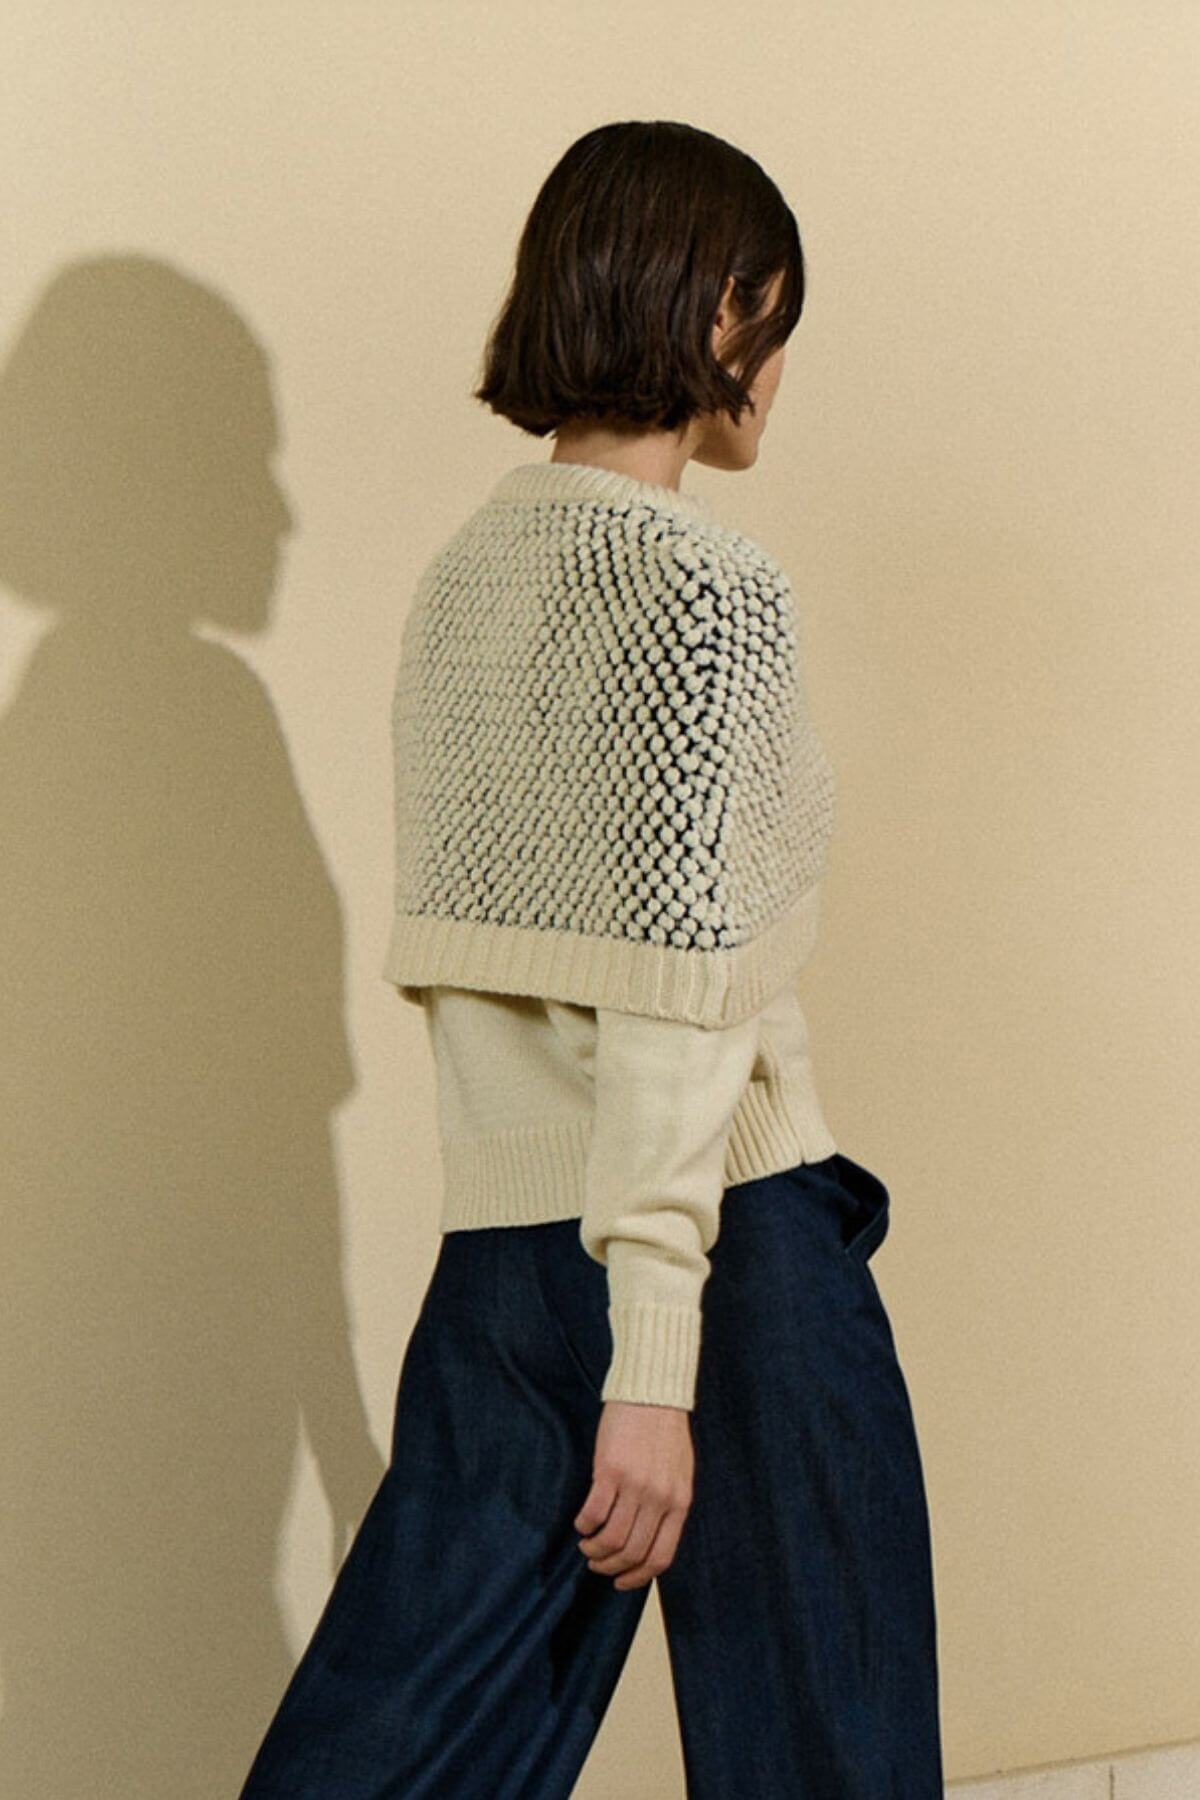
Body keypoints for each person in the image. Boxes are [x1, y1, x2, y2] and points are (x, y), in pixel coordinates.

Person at [238, 118, 944, 1799]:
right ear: (719, 310)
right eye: (775, 315)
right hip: (718, 1251)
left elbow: (495, 980)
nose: (779, 365)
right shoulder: (709, 593)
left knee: (395, 1751)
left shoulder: (460, 584)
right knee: (827, 1758)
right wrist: (654, 1360)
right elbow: (677, 1004)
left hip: (505, 1267)